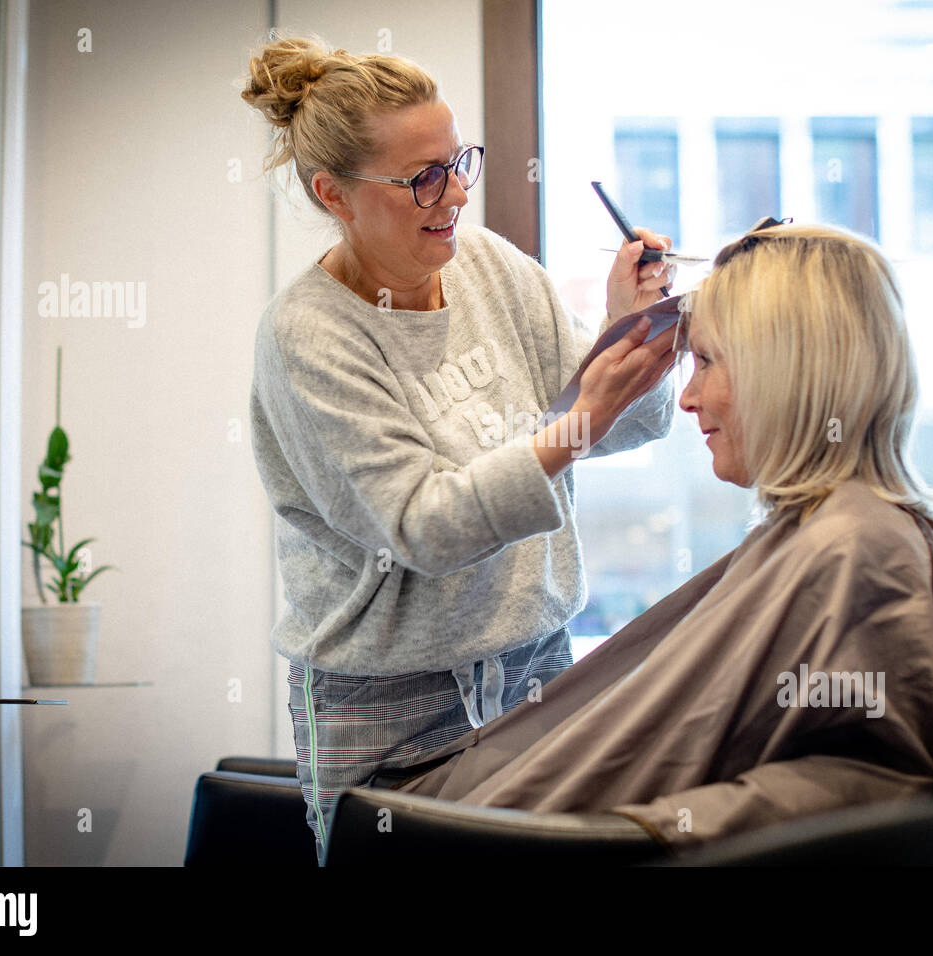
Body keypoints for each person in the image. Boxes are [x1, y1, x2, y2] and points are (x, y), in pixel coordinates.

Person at [388, 220, 933, 852]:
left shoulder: (855, 551)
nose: (686, 398)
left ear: (787, 372)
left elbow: (880, 789)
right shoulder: (833, 537)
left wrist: (649, 829)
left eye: (708, 362)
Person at [241, 34, 678, 862]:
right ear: (335, 193)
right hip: (387, 712)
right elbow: (425, 525)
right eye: (423, 178)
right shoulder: (310, 336)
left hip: (536, 668)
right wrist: (581, 418)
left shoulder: (486, 266)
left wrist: (630, 331)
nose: (457, 194)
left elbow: (607, 423)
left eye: (459, 160)